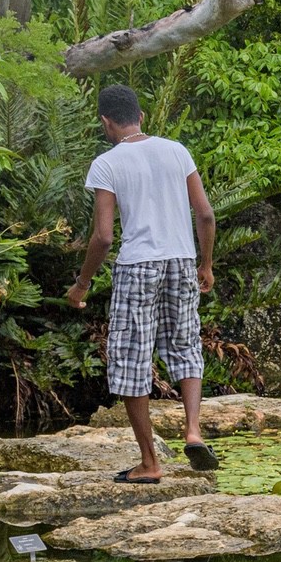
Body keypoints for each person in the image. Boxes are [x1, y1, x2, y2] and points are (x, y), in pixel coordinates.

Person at [65, 83, 219, 483]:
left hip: (138, 266)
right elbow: (205, 215)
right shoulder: (176, 150)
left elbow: (102, 237)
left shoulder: (107, 163)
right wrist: (206, 264)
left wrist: (82, 283)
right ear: (141, 117)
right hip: (181, 261)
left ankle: (150, 463)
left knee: (132, 359)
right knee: (185, 346)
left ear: (105, 121)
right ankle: (193, 430)